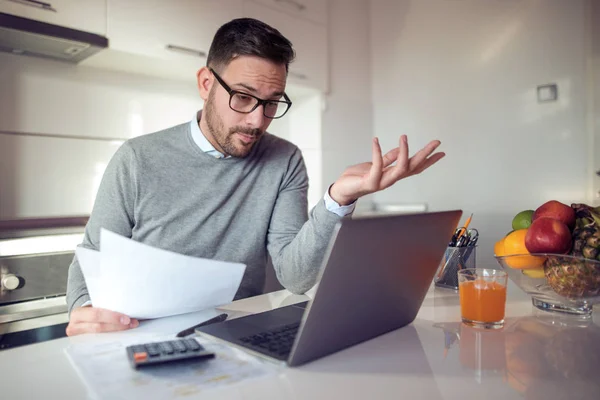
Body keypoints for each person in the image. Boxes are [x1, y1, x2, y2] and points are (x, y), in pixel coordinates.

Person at [65, 18, 444, 336]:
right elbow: (93, 256)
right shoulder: (136, 158)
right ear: (206, 83)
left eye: (272, 102)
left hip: (234, 334)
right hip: (144, 333)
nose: (256, 120)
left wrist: (338, 199)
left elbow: (296, 277)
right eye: (243, 97)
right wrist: (83, 310)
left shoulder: (284, 160)